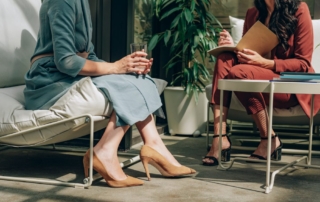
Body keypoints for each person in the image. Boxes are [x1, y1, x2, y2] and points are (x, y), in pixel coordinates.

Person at [24, 0, 195, 187]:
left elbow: (89, 57)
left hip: (65, 76)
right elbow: (66, 61)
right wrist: (116, 67)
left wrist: (125, 68)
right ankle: (106, 151)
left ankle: (153, 144)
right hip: (49, 81)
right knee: (130, 84)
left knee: (139, 79)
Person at [203, 0, 318, 166]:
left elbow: (303, 63)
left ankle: (268, 138)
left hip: (288, 85)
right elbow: (248, 52)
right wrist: (232, 47)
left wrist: (265, 63)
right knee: (224, 58)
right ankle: (219, 138)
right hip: (257, 79)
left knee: (238, 73)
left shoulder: (299, 9)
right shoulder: (254, 13)